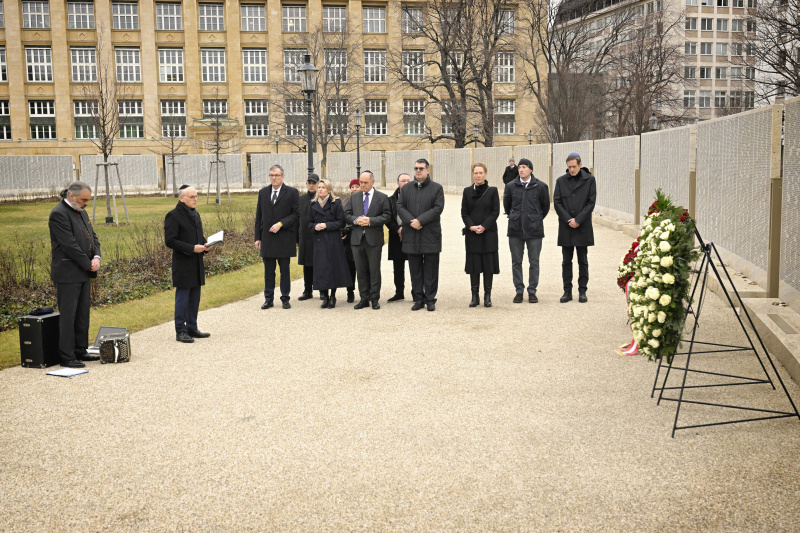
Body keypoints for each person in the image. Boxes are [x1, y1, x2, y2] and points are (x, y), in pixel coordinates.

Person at [49, 181, 101, 368]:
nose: (86, 203)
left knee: (82, 315)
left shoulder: (81, 211)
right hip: (68, 272)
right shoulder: (58, 214)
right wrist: (88, 264)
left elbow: (92, 236)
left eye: (88, 199)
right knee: (68, 315)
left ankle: (80, 350)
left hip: (83, 271)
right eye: (84, 199)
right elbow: (69, 245)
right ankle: (67, 355)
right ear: (71, 196)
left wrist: (96, 256)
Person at [397, 158, 445, 312]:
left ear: (428, 170)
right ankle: (418, 299)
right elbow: (400, 206)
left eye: (421, 168)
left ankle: (430, 299)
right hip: (411, 234)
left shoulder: (437, 188)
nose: (418, 171)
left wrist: (420, 221)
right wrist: (412, 222)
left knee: (431, 269)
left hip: (430, 234)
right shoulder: (406, 189)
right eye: (416, 168)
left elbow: (437, 208)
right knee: (415, 269)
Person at [164, 185, 211, 343]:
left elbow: (198, 236)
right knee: (183, 298)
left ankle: (192, 327)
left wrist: (205, 245)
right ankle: (181, 330)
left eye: (196, 196)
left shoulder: (195, 214)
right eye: (192, 197)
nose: (195, 199)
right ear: (181, 198)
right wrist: (192, 248)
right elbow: (170, 241)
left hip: (196, 263)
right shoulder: (173, 216)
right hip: (183, 264)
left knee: (195, 298)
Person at [503, 157, 550, 303]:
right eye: (519, 167)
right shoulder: (510, 186)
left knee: (534, 261)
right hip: (515, 229)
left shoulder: (541, 186)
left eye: (524, 167)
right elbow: (507, 206)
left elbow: (545, 207)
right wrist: (515, 217)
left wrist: (534, 218)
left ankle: (532, 291)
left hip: (534, 229)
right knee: (516, 261)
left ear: (530, 169)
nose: (521, 169)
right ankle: (519, 290)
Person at [255, 164, 300, 309]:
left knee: (284, 270)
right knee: (268, 271)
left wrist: (281, 224)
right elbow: (259, 216)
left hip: (284, 237)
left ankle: (285, 298)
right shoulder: (263, 192)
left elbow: (296, 214)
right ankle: (268, 299)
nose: (274, 178)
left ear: (283, 176)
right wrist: (257, 237)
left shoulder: (292, 192)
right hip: (267, 238)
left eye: (276, 175)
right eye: (271, 175)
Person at [553, 152, 596, 303]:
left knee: (582, 260)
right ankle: (567, 291)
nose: (571, 170)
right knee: (566, 261)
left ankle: (582, 291)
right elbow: (557, 202)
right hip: (566, 227)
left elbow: (591, 202)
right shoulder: (561, 181)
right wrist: (568, 220)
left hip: (582, 226)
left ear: (580, 164)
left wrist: (578, 219)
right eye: (569, 167)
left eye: (574, 166)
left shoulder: (589, 180)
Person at [344, 170, 391, 310]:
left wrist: (370, 221)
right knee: (361, 270)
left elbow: (387, 216)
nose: (362, 185)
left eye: (365, 183)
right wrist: (356, 220)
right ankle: (363, 298)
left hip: (374, 240)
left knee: (374, 271)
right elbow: (347, 215)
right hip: (357, 240)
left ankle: (374, 299)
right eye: (361, 183)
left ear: (373, 182)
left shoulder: (382, 197)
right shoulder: (354, 197)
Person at [308, 179, 352, 308]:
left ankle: (333, 296)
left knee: (333, 268)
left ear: (329, 189)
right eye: (319, 187)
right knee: (322, 269)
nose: (320, 189)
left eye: (323, 187)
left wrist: (326, 225)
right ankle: (325, 296)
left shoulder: (336, 202)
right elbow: (308, 223)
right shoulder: (313, 204)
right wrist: (315, 226)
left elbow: (341, 222)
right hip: (319, 240)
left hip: (333, 240)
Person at [461, 163, 500, 308]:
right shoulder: (466, 191)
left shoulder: (492, 191)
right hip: (472, 234)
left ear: (485, 174)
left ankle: (487, 295)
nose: (478, 175)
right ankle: (474, 295)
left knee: (488, 265)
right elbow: (464, 212)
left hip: (488, 233)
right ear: (473, 174)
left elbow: (495, 211)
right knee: (474, 265)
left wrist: (484, 226)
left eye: (481, 173)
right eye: (476, 173)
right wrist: (471, 226)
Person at [386, 173, 412, 302]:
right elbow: (387, 218)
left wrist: (406, 229)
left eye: (408, 180)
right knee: (397, 266)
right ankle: (399, 292)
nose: (406, 183)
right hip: (396, 236)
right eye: (403, 181)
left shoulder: (416, 197)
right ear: (398, 183)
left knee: (415, 265)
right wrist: (397, 229)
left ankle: (416, 292)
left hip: (412, 235)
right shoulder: (390, 200)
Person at [297, 173, 319, 301]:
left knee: (319, 264)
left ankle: (322, 290)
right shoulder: (301, 199)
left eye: (314, 183)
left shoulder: (321, 198)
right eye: (309, 183)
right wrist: (296, 238)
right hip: (304, 237)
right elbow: (297, 219)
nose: (311, 185)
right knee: (307, 265)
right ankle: (307, 290)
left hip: (317, 237)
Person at [341, 178, 360, 303]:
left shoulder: (364, 201)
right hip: (347, 239)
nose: (354, 189)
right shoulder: (344, 202)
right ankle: (350, 291)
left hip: (359, 235)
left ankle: (366, 291)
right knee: (350, 266)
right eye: (352, 187)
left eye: (356, 186)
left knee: (363, 267)